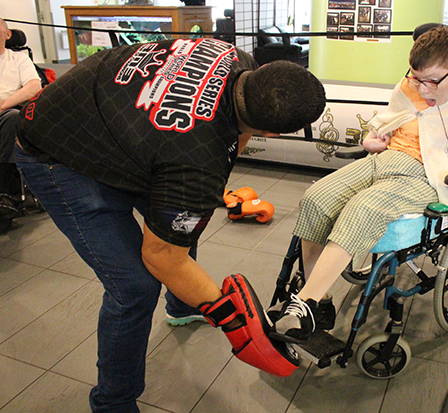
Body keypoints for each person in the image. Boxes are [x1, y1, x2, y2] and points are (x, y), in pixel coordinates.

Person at [15, 37, 325, 412]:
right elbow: (162, 257)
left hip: (112, 124)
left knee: (182, 221)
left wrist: (198, 193)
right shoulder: (194, 160)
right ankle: (113, 404)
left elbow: (217, 154)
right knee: (134, 287)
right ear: (273, 133)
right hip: (56, 152)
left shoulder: (233, 57)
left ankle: (181, 305)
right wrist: (231, 320)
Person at [268, 27, 448, 344]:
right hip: (385, 159)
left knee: (363, 209)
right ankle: (320, 302)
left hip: (430, 176)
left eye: (432, 81)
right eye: (417, 77)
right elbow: (391, 118)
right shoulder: (413, 85)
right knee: (316, 198)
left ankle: (304, 304)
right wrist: (374, 139)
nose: (423, 88)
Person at [0, 17, 42, 233]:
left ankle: (7, 194)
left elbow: (34, 87)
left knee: (11, 119)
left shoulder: (18, 59)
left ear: (8, 34)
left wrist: (3, 105)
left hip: (7, 112)